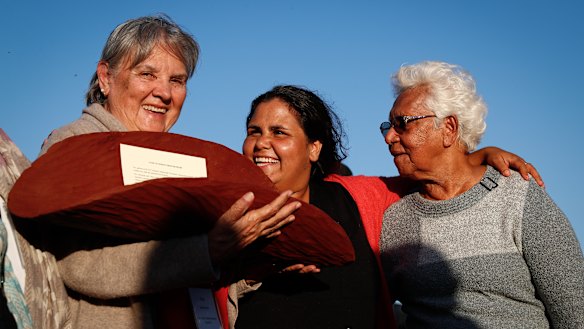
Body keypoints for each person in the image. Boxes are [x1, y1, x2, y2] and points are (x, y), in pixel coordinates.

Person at [20, 15, 300, 329]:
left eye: (176, 80)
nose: (164, 93)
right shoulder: (73, 146)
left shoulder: (181, 159)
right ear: (106, 78)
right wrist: (208, 249)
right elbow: (81, 265)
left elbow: (194, 275)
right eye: (147, 74)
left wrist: (251, 268)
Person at [227, 85, 543, 329]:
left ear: (314, 148)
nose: (261, 143)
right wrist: (253, 275)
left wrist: (476, 156)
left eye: (278, 132)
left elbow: (434, 175)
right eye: (254, 131)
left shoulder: (360, 199)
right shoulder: (225, 209)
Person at [379, 61, 584, 328]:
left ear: (449, 128)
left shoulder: (517, 197)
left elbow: (575, 312)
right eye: (388, 126)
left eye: (403, 124)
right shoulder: (394, 218)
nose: (389, 137)